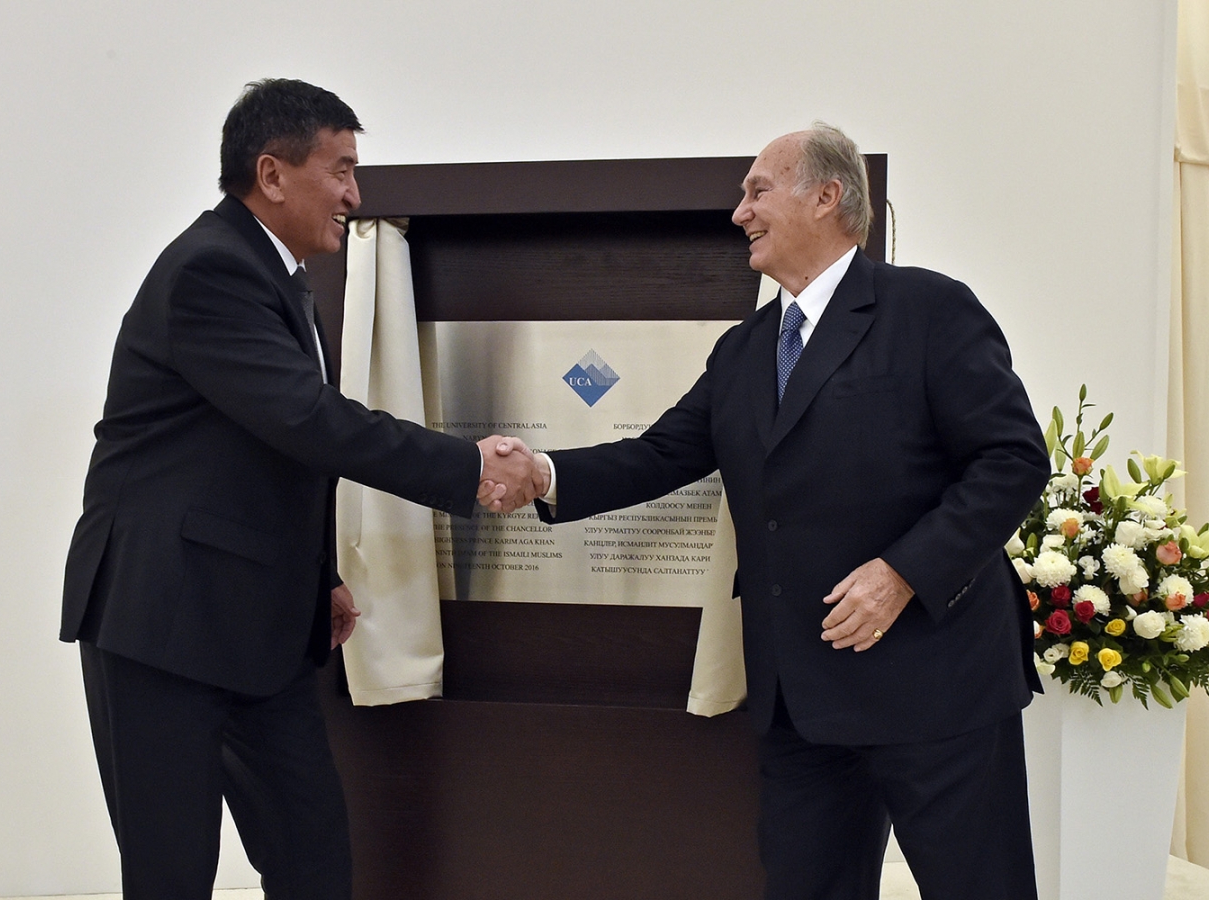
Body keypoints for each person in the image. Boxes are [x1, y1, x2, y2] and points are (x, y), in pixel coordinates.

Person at [488, 123, 1049, 900]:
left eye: (756, 191)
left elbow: (1013, 460)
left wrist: (901, 574)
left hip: (938, 687)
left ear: (826, 196)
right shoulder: (745, 350)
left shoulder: (930, 310)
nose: (738, 213)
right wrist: (542, 474)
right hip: (803, 700)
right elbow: (658, 455)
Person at [60, 78, 541, 899]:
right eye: (342, 169)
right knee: (171, 872)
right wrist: (468, 469)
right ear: (272, 174)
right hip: (161, 623)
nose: (356, 194)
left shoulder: (276, 275)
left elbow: (261, 457)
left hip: (255, 627)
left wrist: (314, 576)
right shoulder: (212, 270)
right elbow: (308, 421)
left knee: (312, 855)